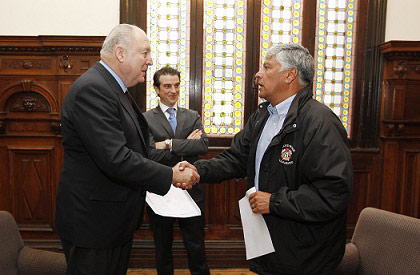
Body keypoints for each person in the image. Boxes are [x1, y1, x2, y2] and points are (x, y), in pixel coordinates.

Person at [194, 44, 353, 274]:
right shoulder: (262, 115)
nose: (258, 74)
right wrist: (198, 170)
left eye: (267, 67)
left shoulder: (321, 123)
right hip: (268, 242)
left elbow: (333, 192)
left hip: (306, 254)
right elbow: (237, 159)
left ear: (290, 75)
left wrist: (275, 202)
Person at [55, 24, 199, 275]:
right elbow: (116, 158)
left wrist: (170, 167)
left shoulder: (114, 90)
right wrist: (172, 175)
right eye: (145, 53)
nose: (150, 60)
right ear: (120, 53)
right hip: (94, 224)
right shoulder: (94, 89)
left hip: (111, 221)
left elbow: (137, 150)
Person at [143, 66, 210, 275]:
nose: (173, 90)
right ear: (156, 89)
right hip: (160, 191)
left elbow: (202, 146)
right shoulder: (145, 119)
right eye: (167, 86)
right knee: (163, 249)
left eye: (177, 85)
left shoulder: (191, 116)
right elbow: (149, 154)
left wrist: (169, 143)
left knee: (196, 247)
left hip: (191, 190)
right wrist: (184, 146)